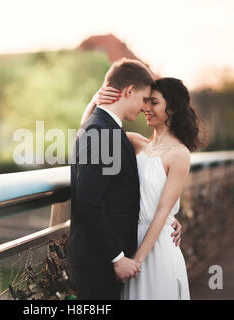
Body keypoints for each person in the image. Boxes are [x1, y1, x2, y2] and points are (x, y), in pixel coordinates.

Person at [66, 58, 183, 300]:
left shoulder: (110, 131)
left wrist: (169, 216)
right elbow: (90, 200)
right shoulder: (102, 132)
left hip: (112, 257)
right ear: (129, 91)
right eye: (143, 99)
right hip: (100, 261)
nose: (144, 108)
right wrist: (117, 258)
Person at [95, 77, 204, 299]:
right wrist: (96, 101)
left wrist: (136, 262)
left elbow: (163, 212)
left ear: (171, 108)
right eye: (145, 102)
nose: (145, 108)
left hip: (156, 251)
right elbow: (93, 133)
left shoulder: (179, 154)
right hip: (130, 240)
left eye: (153, 102)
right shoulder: (137, 143)